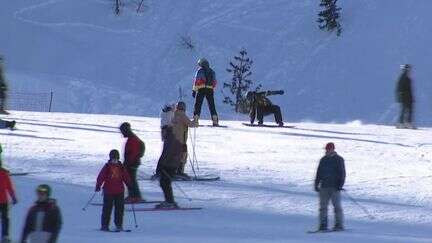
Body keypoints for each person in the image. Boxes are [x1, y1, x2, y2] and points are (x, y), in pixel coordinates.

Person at [95, 150, 131, 232]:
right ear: (110, 158)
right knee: (107, 209)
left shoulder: (121, 167)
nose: (114, 161)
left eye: (116, 159)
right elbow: (101, 176)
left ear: (118, 159)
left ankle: (119, 225)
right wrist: (98, 185)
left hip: (119, 191)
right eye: (113, 159)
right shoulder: (107, 167)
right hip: (108, 191)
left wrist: (129, 185)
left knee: (119, 209)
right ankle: (104, 225)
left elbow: (126, 177)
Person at [314, 142, 345, 232]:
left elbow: (342, 173)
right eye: (326, 149)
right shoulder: (323, 159)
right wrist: (316, 184)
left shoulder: (339, 159)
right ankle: (323, 225)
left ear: (333, 149)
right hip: (324, 187)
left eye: (329, 149)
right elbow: (319, 172)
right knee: (323, 207)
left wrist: (340, 185)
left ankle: (339, 225)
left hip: (335, 187)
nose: (327, 150)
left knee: (337, 207)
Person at [119, 122, 145, 203]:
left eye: (122, 131)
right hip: (132, 162)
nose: (122, 133)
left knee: (131, 179)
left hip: (132, 163)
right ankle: (133, 196)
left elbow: (133, 153)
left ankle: (135, 197)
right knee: (130, 179)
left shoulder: (133, 139)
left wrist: (128, 163)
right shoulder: (132, 138)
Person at [171, 101, 196, 177]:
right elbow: (191, 124)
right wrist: (195, 121)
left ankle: (173, 171)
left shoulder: (173, 115)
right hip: (181, 140)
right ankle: (179, 171)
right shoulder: (182, 115)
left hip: (172, 140)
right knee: (183, 155)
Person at [192, 58, 219, 126]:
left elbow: (196, 81)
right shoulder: (212, 71)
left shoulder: (200, 71)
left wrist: (194, 90)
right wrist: (211, 87)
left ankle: (195, 120)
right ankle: (215, 120)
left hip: (201, 89)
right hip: (210, 90)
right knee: (211, 105)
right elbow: (215, 82)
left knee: (198, 104)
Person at [0, 146, 17, 243]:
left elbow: (9, 187)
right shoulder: (4, 174)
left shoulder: (4, 174)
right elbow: (9, 187)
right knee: (5, 218)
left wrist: (13, 197)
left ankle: (5, 236)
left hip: (3, 201)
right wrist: (13, 198)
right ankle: (5, 235)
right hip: (3, 201)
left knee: (5, 218)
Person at [396, 64, 415, 129]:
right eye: (408, 69)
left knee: (408, 110)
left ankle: (405, 123)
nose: (409, 70)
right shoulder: (403, 77)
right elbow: (399, 88)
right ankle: (402, 123)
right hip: (405, 97)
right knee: (405, 110)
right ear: (406, 69)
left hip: (408, 97)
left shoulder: (406, 77)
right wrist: (401, 97)